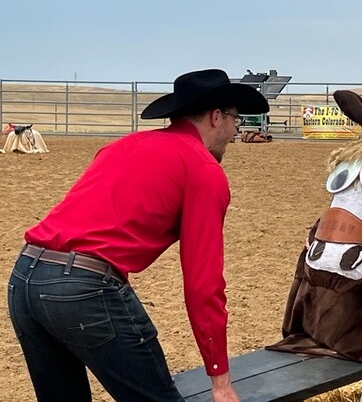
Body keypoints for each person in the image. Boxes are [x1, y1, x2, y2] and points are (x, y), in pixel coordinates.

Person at [7, 69, 269, 402]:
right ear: (216, 117)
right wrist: (220, 381)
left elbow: (96, 223)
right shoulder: (204, 170)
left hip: (24, 277)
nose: (235, 131)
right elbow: (204, 284)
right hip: (84, 289)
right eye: (235, 119)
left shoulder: (123, 145)